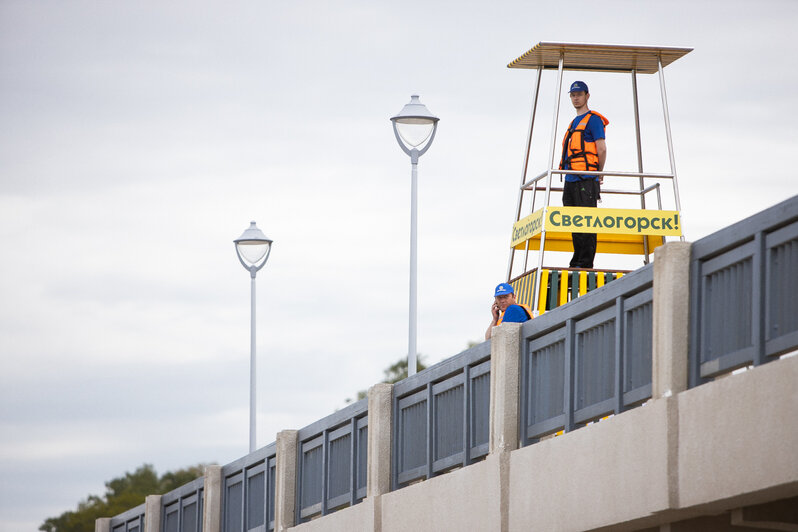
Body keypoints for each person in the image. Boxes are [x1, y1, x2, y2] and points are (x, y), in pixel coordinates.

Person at [559, 80, 609, 269]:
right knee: (573, 223)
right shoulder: (574, 123)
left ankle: (585, 262)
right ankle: (576, 260)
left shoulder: (593, 119)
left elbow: (601, 148)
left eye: (579, 94)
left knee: (586, 223)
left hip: (586, 179)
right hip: (571, 179)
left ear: (587, 96)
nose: (576, 98)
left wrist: (599, 172)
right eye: (573, 95)